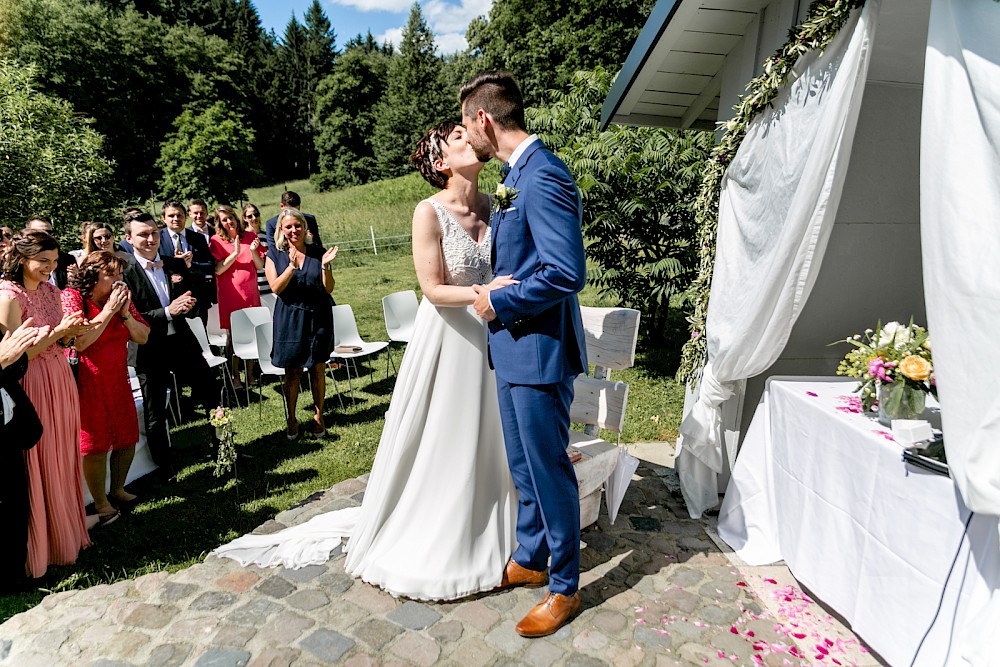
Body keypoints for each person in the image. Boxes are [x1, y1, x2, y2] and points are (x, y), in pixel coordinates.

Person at [211, 121, 520, 602]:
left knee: (494, 434)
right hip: (451, 335)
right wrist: (487, 291)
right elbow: (434, 290)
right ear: (440, 163)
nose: (469, 138)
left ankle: (504, 520)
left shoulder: (495, 203)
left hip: (493, 334)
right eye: (457, 137)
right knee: (450, 434)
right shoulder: (428, 211)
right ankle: (448, 527)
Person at [464, 71, 589, 638]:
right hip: (513, 350)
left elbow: (566, 273)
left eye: (469, 124)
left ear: (485, 120)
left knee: (548, 468)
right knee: (523, 467)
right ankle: (532, 556)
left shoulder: (544, 177)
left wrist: (501, 297)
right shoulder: (519, 175)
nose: (469, 136)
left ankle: (565, 586)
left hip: (538, 352)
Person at [0, 230, 98, 578]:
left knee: (62, 453)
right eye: (43, 261)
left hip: (59, 375)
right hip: (33, 381)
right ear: (22, 258)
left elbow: (61, 335)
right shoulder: (8, 296)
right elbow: (14, 358)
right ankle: (43, 547)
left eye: (54, 262)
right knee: (39, 459)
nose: (49, 268)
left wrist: (72, 330)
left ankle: (67, 536)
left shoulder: (52, 290)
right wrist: (58, 334)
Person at [121, 213, 219, 475]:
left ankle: (223, 447)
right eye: (143, 234)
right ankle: (165, 466)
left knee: (211, 391)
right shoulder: (124, 274)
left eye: (154, 232)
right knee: (155, 412)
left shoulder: (173, 265)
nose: (151, 239)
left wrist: (190, 305)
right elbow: (130, 317)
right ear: (129, 239)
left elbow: (191, 300)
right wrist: (167, 312)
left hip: (183, 342)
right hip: (148, 348)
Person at [62, 251, 149, 521]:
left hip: (117, 376)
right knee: (96, 444)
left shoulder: (121, 299)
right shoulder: (73, 297)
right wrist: (109, 311)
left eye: (121, 274)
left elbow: (143, 336)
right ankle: (99, 502)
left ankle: (119, 489)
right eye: (112, 274)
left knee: (127, 436)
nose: (119, 280)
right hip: (87, 379)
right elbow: (80, 343)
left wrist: (124, 315)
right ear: (93, 275)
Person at [263, 209, 337, 438]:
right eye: (288, 227)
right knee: (293, 372)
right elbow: (275, 287)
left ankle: (318, 415)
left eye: (297, 226)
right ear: (281, 231)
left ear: (305, 228)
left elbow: (329, 288)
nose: (294, 230)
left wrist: (325, 266)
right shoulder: (274, 254)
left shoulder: (318, 253)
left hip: (319, 316)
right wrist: (291, 267)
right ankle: (292, 418)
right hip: (290, 318)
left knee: (318, 369)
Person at [0, 318, 46, 593]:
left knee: (15, 503)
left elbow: (15, 366)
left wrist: (15, 356)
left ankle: (14, 576)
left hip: (9, 425)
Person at [210, 204, 265, 389]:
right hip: (230, 294)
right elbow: (218, 269)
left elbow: (259, 265)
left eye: (230, 217)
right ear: (219, 223)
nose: (229, 222)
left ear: (236, 218)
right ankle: (234, 376)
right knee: (233, 337)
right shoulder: (216, 240)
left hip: (250, 293)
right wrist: (234, 252)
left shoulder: (250, 236)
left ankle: (249, 374)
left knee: (252, 333)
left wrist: (252, 251)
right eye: (224, 220)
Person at [158, 200, 214, 321]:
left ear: (185, 216)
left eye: (179, 215)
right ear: (163, 218)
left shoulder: (198, 238)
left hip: (196, 299)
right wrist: (174, 263)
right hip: (169, 300)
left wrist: (190, 265)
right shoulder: (157, 239)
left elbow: (209, 266)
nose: (176, 218)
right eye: (171, 216)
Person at [24, 216, 76, 289]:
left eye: (49, 232)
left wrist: (75, 279)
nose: (46, 236)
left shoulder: (67, 260)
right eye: (39, 233)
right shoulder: (22, 259)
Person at [243, 204, 271, 296]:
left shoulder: (268, 236)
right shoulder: (242, 238)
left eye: (256, 215)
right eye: (250, 216)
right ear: (244, 218)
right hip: (252, 285)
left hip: (269, 283)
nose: (254, 218)